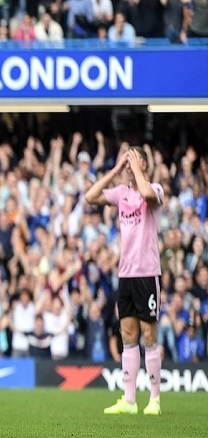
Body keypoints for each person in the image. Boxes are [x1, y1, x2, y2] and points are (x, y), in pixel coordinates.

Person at [85, 146, 164, 416]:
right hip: (126, 274)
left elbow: (146, 194)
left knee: (149, 335)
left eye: (133, 157)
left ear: (142, 161)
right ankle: (129, 400)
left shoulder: (154, 189)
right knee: (128, 336)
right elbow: (90, 196)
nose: (129, 162)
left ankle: (154, 399)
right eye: (126, 158)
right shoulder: (121, 194)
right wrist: (115, 171)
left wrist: (139, 170)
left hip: (147, 272)